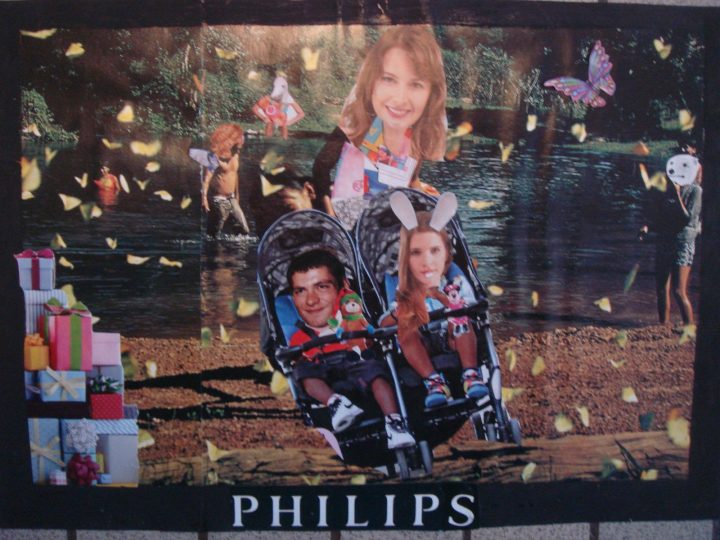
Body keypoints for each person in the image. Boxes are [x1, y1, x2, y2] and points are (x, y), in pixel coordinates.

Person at [312, 26, 447, 227]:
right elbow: (321, 167)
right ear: (372, 81)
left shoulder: (417, 134)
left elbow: (411, 180)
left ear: (431, 94)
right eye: (389, 79)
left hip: (390, 225)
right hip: (348, 222)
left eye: (416, 84)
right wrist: (329, 213)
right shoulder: (357, 123)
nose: (400, 98)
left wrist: (428, 209)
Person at [287, 248, 415, 450]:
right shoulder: (299, 336)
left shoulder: (351, 318)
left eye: (322, 287)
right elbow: (295, 358)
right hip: (322, 369)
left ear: (342, 289)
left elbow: (369, 337)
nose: (311, 300)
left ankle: (394, 422)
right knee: (302, 371)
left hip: (354, 360)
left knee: (374, 369)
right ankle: (335, 403)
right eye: (300, 291)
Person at [383, 192, 489, 408]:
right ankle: (434, 382)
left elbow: (470, 306)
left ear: (446, 256)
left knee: (461, 319)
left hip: (452, 339)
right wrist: (403, 310)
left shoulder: (453, 279)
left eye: (434, 251)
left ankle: (470, 374)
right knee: (405, 329)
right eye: (416, 253)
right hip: (421, 343)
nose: (426, 261)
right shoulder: (401, 285)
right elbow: (384, 323)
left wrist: (441, 297)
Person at [639, 152, 702, 326]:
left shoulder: (696, 191)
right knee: (661, 288)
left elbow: (686, 219)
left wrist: (677, 195)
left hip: (683, 243)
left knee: (678, 291)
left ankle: (689, 327)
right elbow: (661, 217)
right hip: (664, 240)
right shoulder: (667, 189)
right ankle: (663, 326)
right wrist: (647, 226)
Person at [201, 123, 250, 238]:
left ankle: (233, 246)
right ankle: (212, 247)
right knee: (213, 235)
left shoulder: (236, 155)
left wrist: (237, 197)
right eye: (239, 140)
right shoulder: (215, 157)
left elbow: (234, 175)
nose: (241, 143)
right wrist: (204, 199)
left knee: (244, 230)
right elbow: (206, 179)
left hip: (231, 199)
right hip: (218, 200)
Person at [252, 75, 305, 140]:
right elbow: (255, 109)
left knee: (283, 129)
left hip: (282, 121)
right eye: (277, 97)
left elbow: (301, 114)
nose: (278, 99)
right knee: (269, 126)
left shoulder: (288, 99)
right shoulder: (267, 99)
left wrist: (289, 123)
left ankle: (283, 140)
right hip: (270, 120)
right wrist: (264, 118)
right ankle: (267, 140)